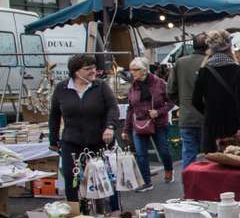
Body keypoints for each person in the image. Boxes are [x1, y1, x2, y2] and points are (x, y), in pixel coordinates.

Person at [48, 54, 119, 202]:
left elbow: (113, 107)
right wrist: (53, 140)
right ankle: (76, 214)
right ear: (76, 72)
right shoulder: (62, 88)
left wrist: (110, 127)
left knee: (104, 176)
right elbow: (54, 115)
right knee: (70, 177)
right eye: (88, 69)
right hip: (71, 141)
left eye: (94, 67)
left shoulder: (101, 86)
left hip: (98, 140)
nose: (93, 71)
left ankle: (113, 211)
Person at [123, 57, 174, 191]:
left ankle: (169, 169)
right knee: (140, 153)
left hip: (159, 123)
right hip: (139, 123)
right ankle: (146, 182)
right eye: (131, 70)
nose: (132, 72)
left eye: (136, 70)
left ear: (144, 70)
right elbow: (130, 108)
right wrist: (125, 129)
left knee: (163, 150)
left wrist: (158, 112)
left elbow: (171, 102)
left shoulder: (160, 83)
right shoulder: (132, 87)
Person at [192, 30, 240, 153]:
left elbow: (195, 101)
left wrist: (209, 111)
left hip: (212, 126)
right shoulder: (238, 71)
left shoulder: (204, 71)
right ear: (229, 47)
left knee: (213, 165)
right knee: (233, 163)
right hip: (233, 126)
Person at [167, 33, 208, 169]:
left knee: (189, 153)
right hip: (208, 116)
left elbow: (171, 90)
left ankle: (189, 184)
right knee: (211, 155)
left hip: (187, 115)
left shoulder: (180, 63)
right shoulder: (210, 62)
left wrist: (182, 104)